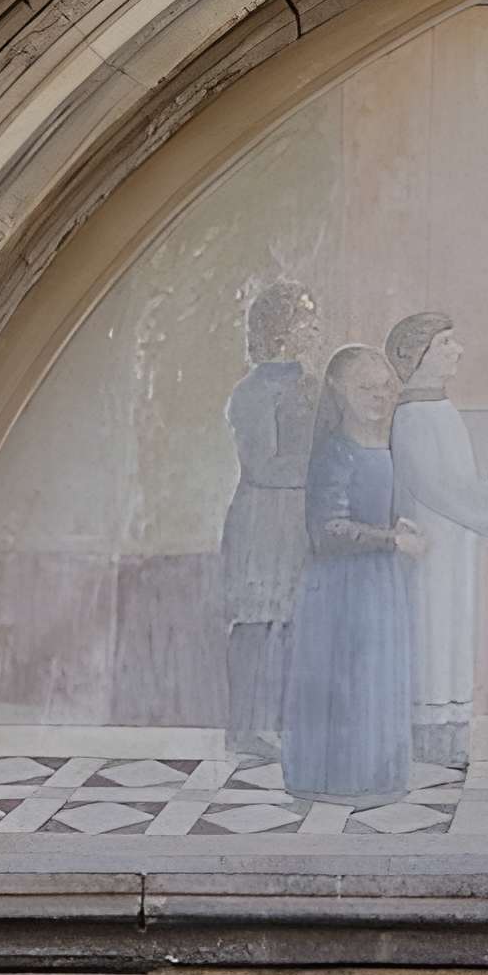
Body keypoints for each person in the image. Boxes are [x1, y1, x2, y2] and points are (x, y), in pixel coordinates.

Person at [386, 312, 488, 769]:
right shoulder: (412, 416)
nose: (458, 350)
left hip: (454, 546)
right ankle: (430, 746)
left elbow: (455, 483)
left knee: (453, 635)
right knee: (433, 636)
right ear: (419, 356)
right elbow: (436, 488)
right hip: (430, 550)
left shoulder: (440, 409)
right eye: (446, 343)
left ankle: (451, 741)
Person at [282, 343, 426, 801]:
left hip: (378, 586)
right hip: (340, 590)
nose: (378, 396)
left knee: (376, 679)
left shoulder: (381, 447)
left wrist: (395, 526)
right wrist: (392, 540)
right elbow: (328, 529)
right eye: (365, 387)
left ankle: (377, 778)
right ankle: (335, 782)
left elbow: (371, 511)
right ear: (338, 391)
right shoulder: (335, 453)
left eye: (385, 387)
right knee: (344, 680)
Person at [215, 282, 320, 762]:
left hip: (300, 518)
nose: (313, 328)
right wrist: (322, 466)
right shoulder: (253, 393)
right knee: (255, 624)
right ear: (278, 332)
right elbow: (263, 465)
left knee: (298, 625)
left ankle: (290, 725)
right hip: (263, 521)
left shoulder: (310, 386)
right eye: (304, 320)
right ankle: (242, 730)